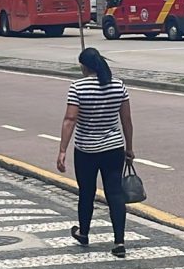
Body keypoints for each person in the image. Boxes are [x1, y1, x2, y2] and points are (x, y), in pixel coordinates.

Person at [57, 47, 134, 258]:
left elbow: (70, 119)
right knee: (115, 194)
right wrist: (129, 147)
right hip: (113, 148)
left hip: (86, 150)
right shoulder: (118, 85)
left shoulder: (78, 87)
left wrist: (62, 149)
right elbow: (126, 120)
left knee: (86, 193)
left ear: (84, 66)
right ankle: (119, 241)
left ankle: (84, 233)